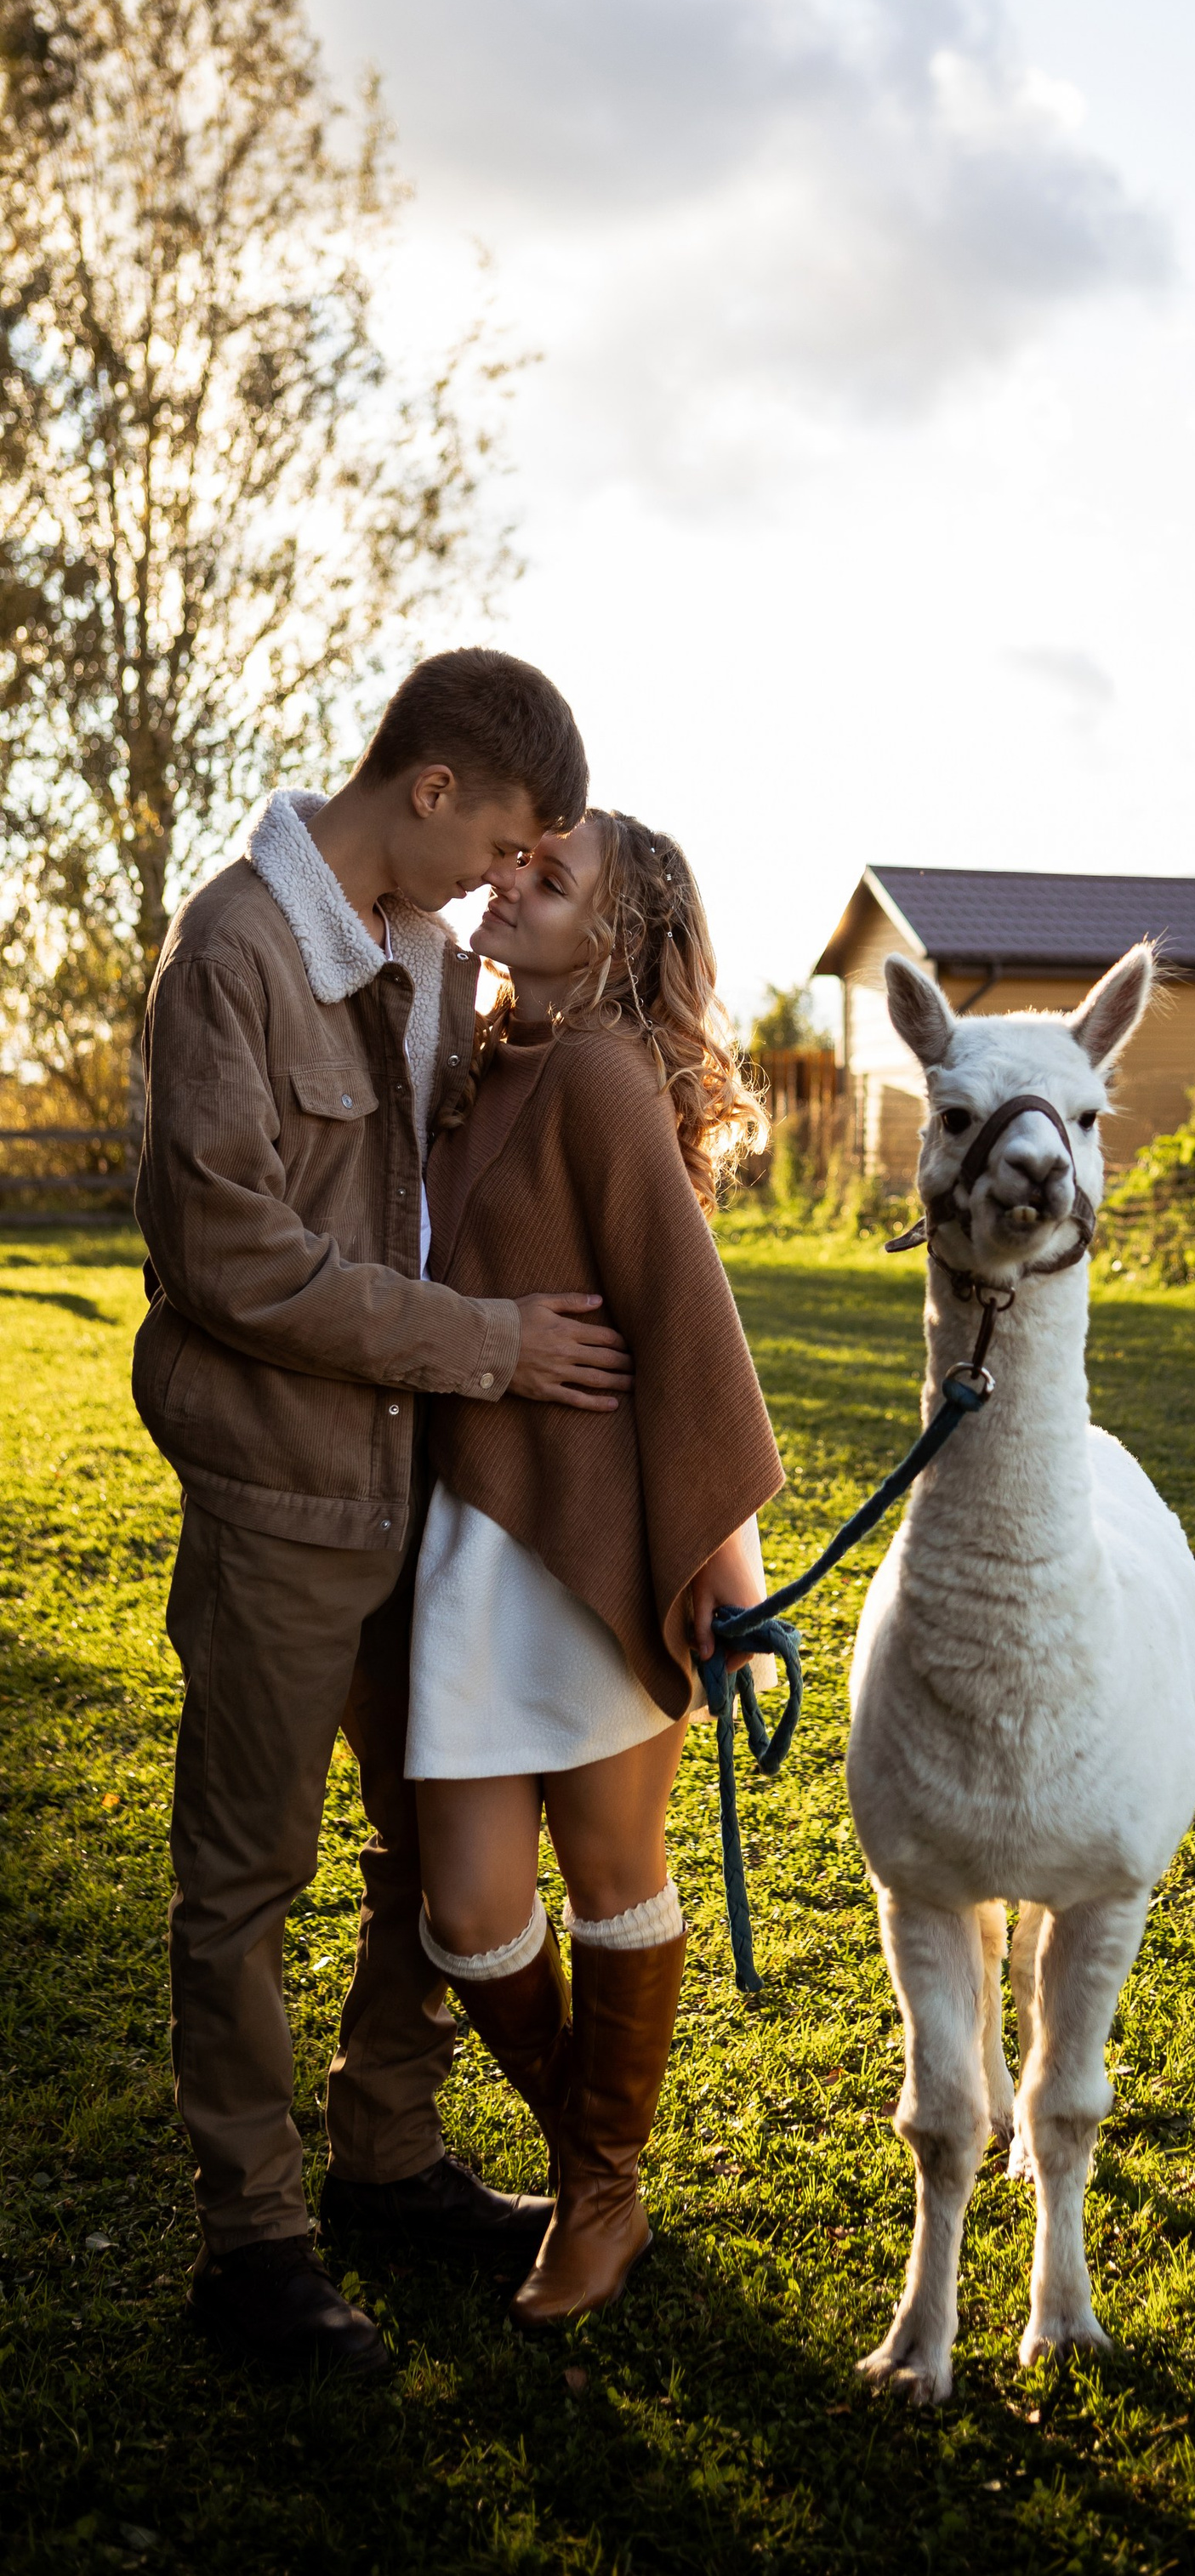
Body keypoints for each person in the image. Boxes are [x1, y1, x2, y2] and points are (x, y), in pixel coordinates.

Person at [136, 649, 640, 2386]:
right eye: (500, 841)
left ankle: (388, 2151)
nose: (503, 880)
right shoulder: (233, 951)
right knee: (246, 1871)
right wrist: (486, 1343)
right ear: (431, 787)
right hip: (280, 1493)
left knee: (426, 1846)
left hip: (421, 1491)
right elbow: (231, 1256)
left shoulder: (430, 954)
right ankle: (254, 2245)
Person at [408, 807, 784, 2329]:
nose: (508, 880)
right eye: (517, 860)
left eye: (547, 878)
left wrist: (729, 1578)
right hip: (466, 1542)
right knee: (471, 1908)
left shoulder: (603, 1076)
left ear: (615, 939)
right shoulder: (472, 1057)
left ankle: (600, 2194)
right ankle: (599, 2166)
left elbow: (692, 1327)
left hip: (603, 1543)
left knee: (615, 1879)